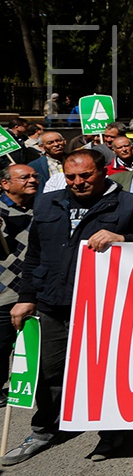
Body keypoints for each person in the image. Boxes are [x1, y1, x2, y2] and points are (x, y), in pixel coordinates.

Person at [3, 150, 133, 465]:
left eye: (86, 175)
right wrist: (26, 297)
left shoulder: (129, 204)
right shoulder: (47, 201)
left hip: (103, 305)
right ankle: (45, 428)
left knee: (102, 372)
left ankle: (110, 432)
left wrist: (122, 238)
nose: (78, 182)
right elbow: (35, 253)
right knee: (49, 372)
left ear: (103, 172)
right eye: (71, 176)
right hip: (52, 302)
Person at [0, 164, 36, 404]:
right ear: (5, 184)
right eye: (25, 177)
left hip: (35, 290)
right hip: (4, 292)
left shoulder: (46, 207)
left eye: (34, 176)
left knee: (35, 346)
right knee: (1, 346)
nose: (32, 180)